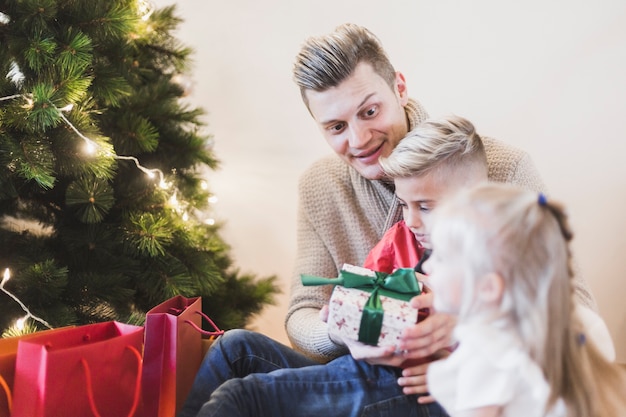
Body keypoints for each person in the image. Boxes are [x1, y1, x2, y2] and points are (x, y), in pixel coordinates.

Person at [177, 23, 602, 417]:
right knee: (233, 348)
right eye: (336, 126)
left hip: (440, 385)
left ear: (399, 86)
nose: (359, 140)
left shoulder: (499, 169)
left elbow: (576, 314)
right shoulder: (320, 185)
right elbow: (302, 314)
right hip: (367, 368)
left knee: (242, 398)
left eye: (369, 112)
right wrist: (346, 331)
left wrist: (466, 325)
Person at [423, 183, 626, 416]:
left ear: (488, 288)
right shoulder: (536, 334)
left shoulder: (487, 351)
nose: (428, 265)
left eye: (440, 257)